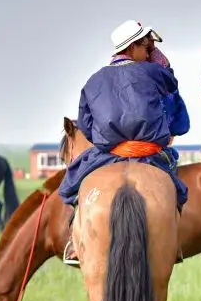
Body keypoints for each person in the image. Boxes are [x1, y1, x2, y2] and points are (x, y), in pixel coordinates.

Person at [59, 20, 191, 266]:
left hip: (107, 154)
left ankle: (75, 243)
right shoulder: (152, 72)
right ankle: (173, 243)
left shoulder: (93, 80)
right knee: (176, 190)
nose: (148, 53)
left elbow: (86, 126)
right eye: (146, 48)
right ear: (132, 48)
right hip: (150, 153)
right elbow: (172, 86)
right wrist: (162, 61)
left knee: (73, 188)